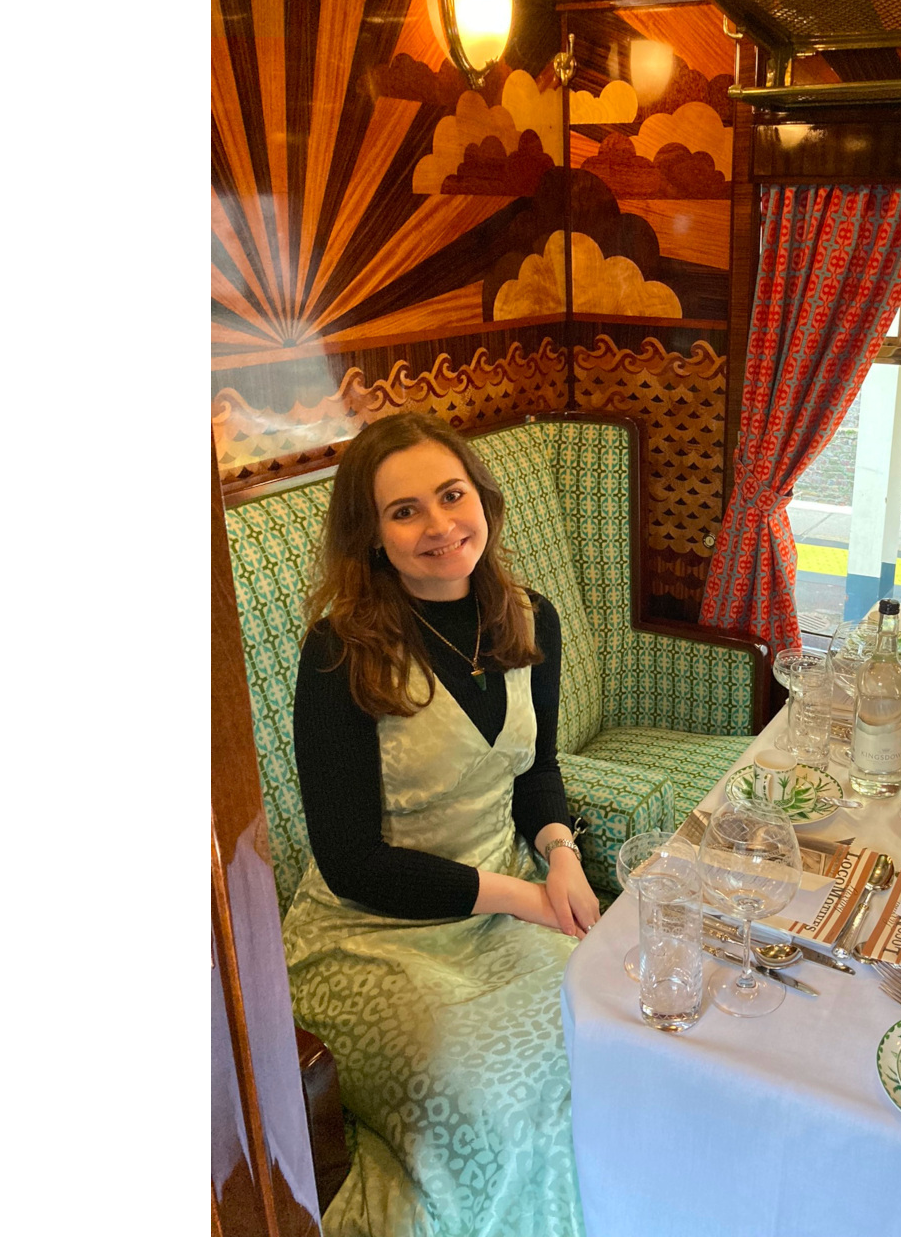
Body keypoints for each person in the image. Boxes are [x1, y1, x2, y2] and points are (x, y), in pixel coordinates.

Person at [281, 410, 598, 1237]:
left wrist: (561, 857)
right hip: (372, 934)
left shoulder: (533, 616)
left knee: (606, 1045)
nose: (439, 525)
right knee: (497, 1104)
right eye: (404, 510)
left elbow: (535, 770)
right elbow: (350, 860)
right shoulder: (339, 653)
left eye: (450, 495)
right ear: (371, 535)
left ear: (482, 499)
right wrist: (521, 899)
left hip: (503, 900)